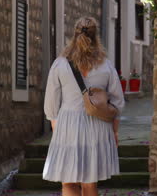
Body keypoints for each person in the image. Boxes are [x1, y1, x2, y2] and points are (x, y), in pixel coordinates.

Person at [42, 16, 125, 196]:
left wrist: (58, 131)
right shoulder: (106, 66)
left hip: (68, 126)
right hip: (98, 126)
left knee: (69, 183)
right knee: (90, 185)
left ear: (74, 35)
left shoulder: (60, 64)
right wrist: (115, 131)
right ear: (96, 37)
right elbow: (117, 102)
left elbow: (51, 104)